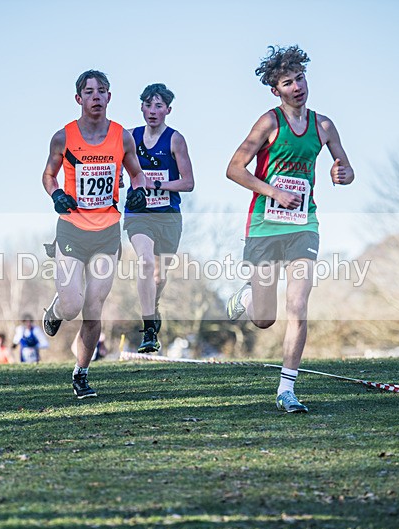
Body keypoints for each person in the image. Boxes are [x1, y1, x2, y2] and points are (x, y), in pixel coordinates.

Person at [225, 45, 354, 413]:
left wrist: (342, 174)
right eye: (288, 82)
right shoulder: (268, 123)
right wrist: (273, 191)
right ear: (275, 90)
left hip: (304, 226)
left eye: (300, 78)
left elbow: (346, 167)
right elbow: (234, 169)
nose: (297, 86)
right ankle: (249, 298)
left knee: (297, 304)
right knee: (265, 318)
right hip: (265, 226)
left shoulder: (323, 125)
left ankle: (286, 389)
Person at [41, 69, 148, 399]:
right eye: (89, 92)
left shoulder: (122, 136)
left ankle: (81, 373)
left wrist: (139, 191)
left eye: (102, 91)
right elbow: (48, 175)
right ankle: (56, 311)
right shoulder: (64, 137)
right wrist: (56, 193)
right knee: (72, 305)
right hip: (72, 229)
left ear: (109, 97)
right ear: (79, 99)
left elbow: (137, 174)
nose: (96, 96)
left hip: (107, 234)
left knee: (93, 309)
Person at [125, 83, 194, 354]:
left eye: (159, 106)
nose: (153, 111)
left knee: (159, 276)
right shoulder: (129, 137)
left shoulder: (175, 140)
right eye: (148, 105)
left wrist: (157, 185)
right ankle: (149, 328)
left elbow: (188, 183)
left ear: (168, 110)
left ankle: (152, 307)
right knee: (144, 260)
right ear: (141, 106)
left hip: (168, 216)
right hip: (139, 214)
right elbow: (116, 166)